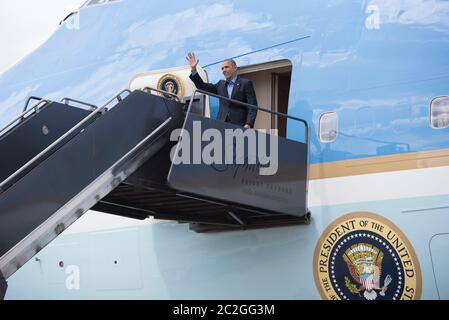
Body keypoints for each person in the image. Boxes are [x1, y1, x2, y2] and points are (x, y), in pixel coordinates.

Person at [186, 52, 258, 128]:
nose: (224, 70)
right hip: (221, 125)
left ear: (235, 68)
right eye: (222, 68)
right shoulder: (220, 85)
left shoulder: (245, 83)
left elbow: (252, 106)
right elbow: (202, 86)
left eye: (226, 67)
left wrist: (248, 124)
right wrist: (194, 70)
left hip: (239, 125)